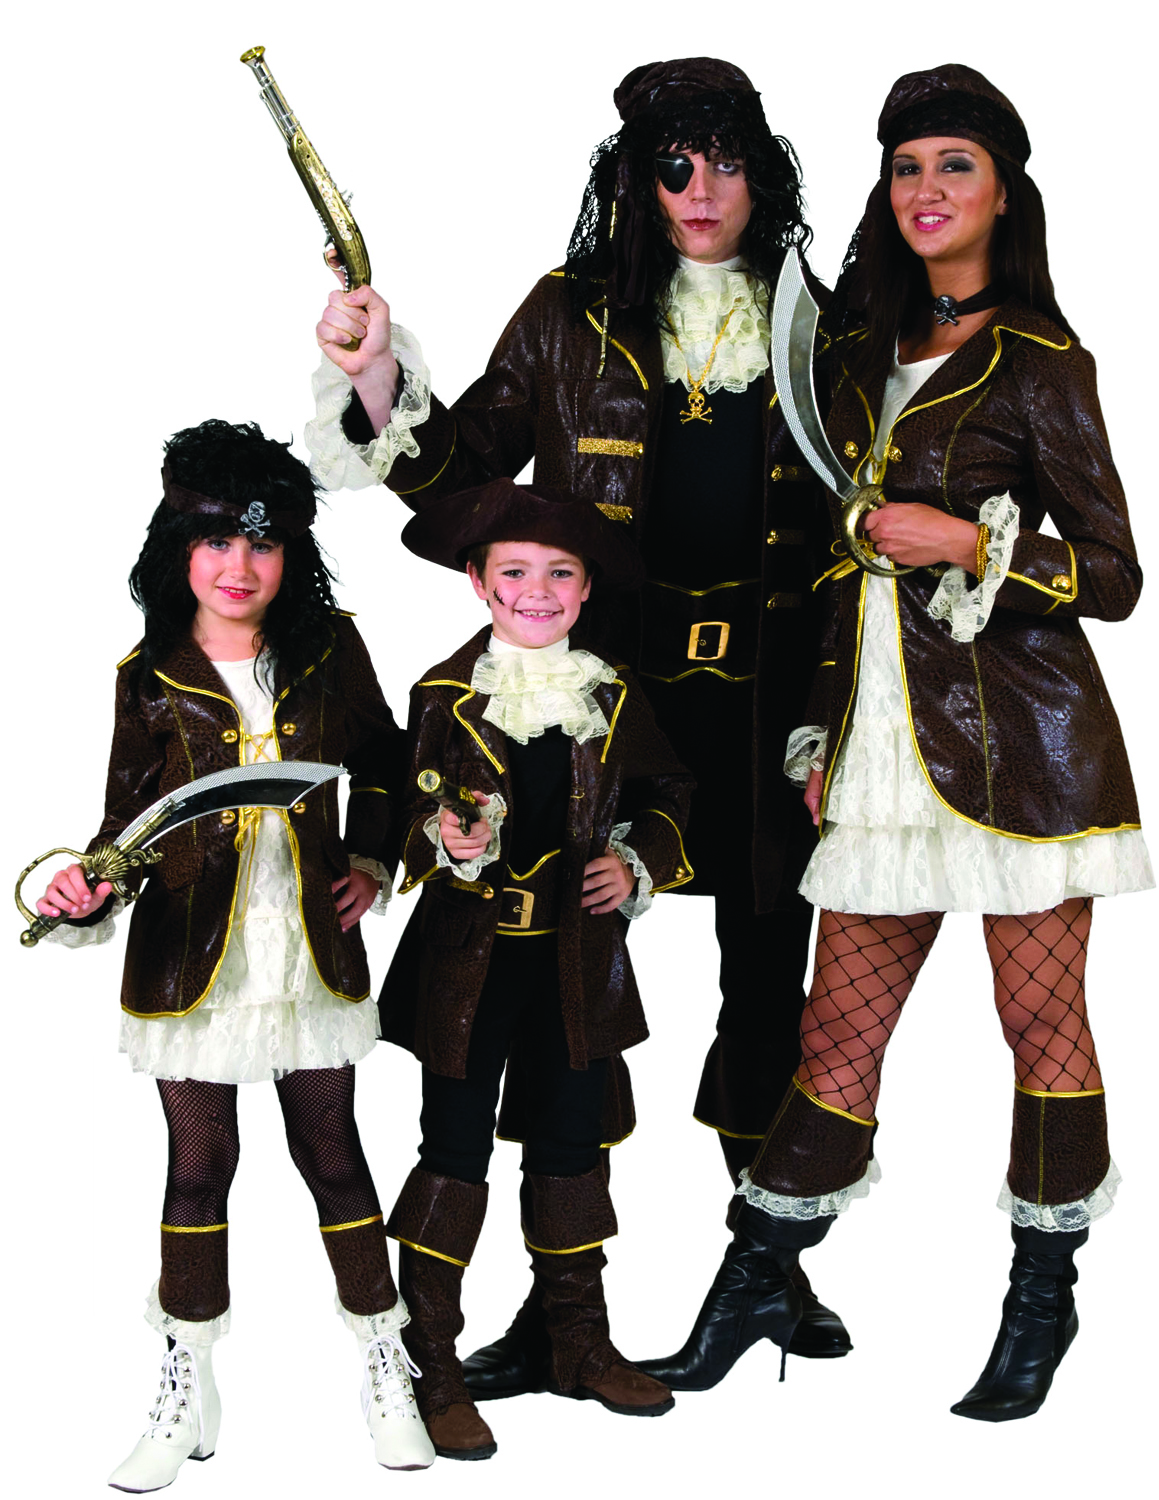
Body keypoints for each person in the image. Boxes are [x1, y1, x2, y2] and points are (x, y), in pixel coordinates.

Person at [305, 54, 850, 1372]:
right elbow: (459, 471)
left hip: (770, 711)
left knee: (768, 988)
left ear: (763, 177)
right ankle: (556, 1317)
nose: (702, 189)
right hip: (601, 706)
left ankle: (766, 1273)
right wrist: (373, 373)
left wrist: (841, 713)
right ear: (638, 181)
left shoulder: (814, 321)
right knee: (550, 988)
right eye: (675, 166)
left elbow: (858, 530)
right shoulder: (570, 314)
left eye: (727, 163)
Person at [639, 64, 1152, 1419]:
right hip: (879, 747)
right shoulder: (855, 346)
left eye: (955, 166)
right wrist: (819, 726)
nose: (926, 189)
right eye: (908, 166)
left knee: (1041, 1026)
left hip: (1023, 748)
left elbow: (1114, 575)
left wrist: (972, 541)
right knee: (834, 1039)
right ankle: (754, 1284)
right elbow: (830, 562)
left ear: (1004, 194)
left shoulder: (1041, 361)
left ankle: (1042, 1303)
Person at [35, 420, 435, 1486]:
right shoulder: (148, 674)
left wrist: (372, 858)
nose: (239, 568)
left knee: (333, 1154)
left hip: (305, 951)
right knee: (199, 1166)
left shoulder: (328, 649)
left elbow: (385, 760)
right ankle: (185, 1379)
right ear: (179, 550)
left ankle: (384, 1362)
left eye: (263, 545)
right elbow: (125, 829)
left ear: (291, 552)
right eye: (216, 543)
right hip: (191, 958)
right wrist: (86, 889)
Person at [377, 478, 693, 1458]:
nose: (538, 591)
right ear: (479, 583)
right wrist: (445, 839)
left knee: (571, 1147)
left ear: (587, 588)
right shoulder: (443, 693)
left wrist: (637, 860)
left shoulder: (612, 693)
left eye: (560, 573)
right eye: (514, 572)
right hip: (465, 973)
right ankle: (432, 1363)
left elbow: (669, 793)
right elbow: (402, 817)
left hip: (576, 965)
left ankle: (577, 1343)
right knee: (453, 1153)